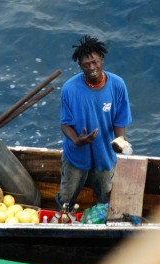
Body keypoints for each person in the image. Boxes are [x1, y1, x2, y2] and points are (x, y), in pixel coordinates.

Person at [56, 35, 132, 210]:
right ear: (80, 66)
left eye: (95, 62)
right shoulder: (69, 88)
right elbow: (65, 122)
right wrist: (76, 140)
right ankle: (64, 219)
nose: (92, 68)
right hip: (76, 154)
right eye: (86, 65)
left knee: (105, 197)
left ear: (102, 60)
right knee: (66, 199)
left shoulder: (118, 85)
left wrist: (118, 142)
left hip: (104, 153)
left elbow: (120, 119)